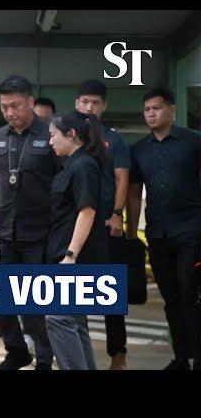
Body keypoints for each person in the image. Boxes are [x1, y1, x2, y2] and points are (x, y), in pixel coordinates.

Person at [0, 74, 57, 370]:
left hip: (40, 233)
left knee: (35, 302)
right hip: (4, 231)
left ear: (30, 103)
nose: (10, 113)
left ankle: (44, 358)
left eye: (15, 106)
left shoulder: (50, 134)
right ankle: (16, 351)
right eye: (4, 107)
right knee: (1, 297)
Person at [127, 86, 201, 371]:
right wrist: (133, 233)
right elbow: (134, 193)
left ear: (173, 110)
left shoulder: (194, 142)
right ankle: (181, 357)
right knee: (170, 297)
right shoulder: (140, 150)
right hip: (158, 233)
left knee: (189, 292)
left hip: (191, 230)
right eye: (146, 110)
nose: (151, 114)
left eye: (156, 108)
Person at [46, 111, 107, 370]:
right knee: (74, 323)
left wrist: (70, 256)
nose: (50, 142)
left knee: (58, 318)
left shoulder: (83, 166)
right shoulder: (74, 164)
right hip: (67, 257)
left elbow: (87, 210)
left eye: (53, 135)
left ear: (71, 134)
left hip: (73, 260)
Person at [75, 79, 130, 370]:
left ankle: (118, 356)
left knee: (111, 294)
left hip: (106, 226)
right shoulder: (70, 136)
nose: (89, 107)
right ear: (76, 104)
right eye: (84, 101)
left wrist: (118, 214)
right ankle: (78, 357)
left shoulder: (115, 140)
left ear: (104, 106)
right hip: (75, 229)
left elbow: (122, 178)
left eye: (95, 102)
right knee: (73, 294)